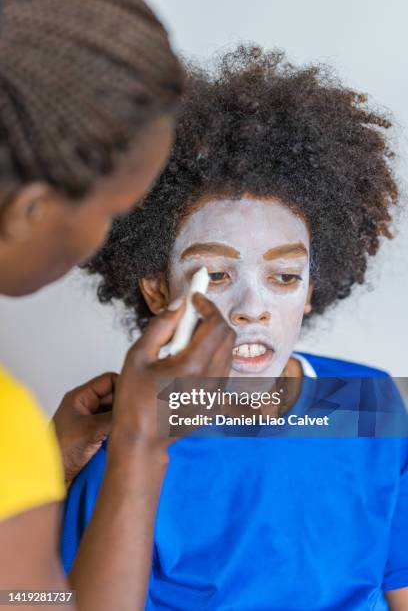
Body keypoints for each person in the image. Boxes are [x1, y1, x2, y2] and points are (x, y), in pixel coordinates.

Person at [61, 46, 408, 610]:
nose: (253, 307)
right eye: (216, 274)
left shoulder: (369, 404)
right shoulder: (124, 446)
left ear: (312, 287)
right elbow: (45, 599)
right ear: (158, 291)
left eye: (285, 275)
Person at [0, 1, 234, 610]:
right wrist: (141, 441)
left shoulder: (362, 407)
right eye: (111, 212)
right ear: (28, 210)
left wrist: (41, 468)